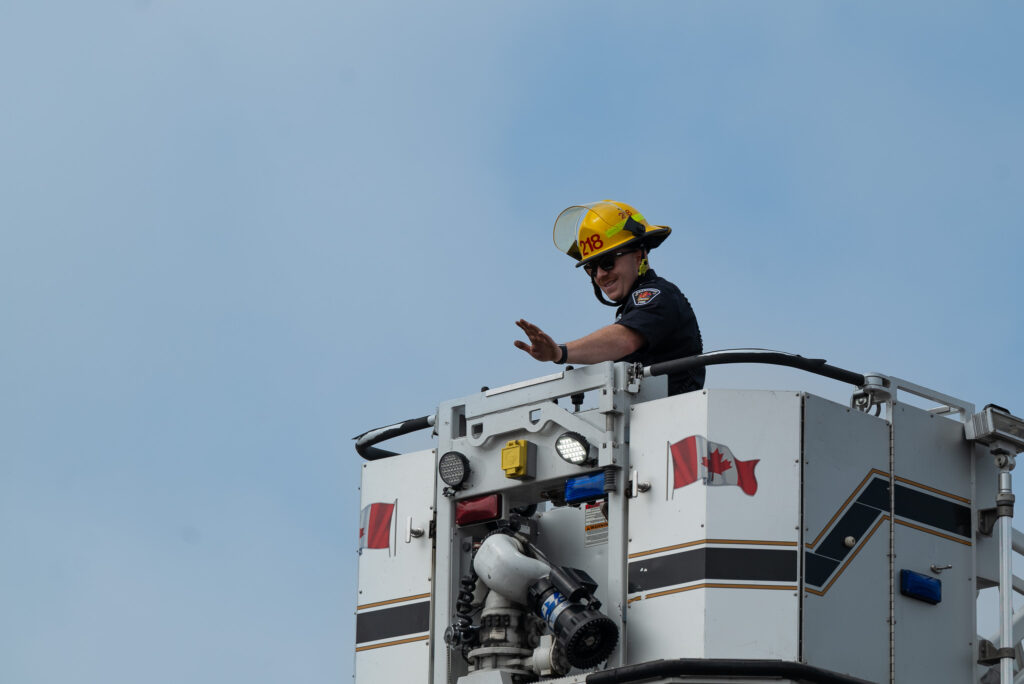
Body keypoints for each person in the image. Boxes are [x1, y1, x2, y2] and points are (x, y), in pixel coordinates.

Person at [514, 200, 704, 396]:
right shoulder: (631, 308)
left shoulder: (659, 296)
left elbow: (624, 339)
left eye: (607, 262)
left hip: (675, 412)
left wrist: (560, 352)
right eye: (591, 268)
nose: (600, 275)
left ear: (638, 256)